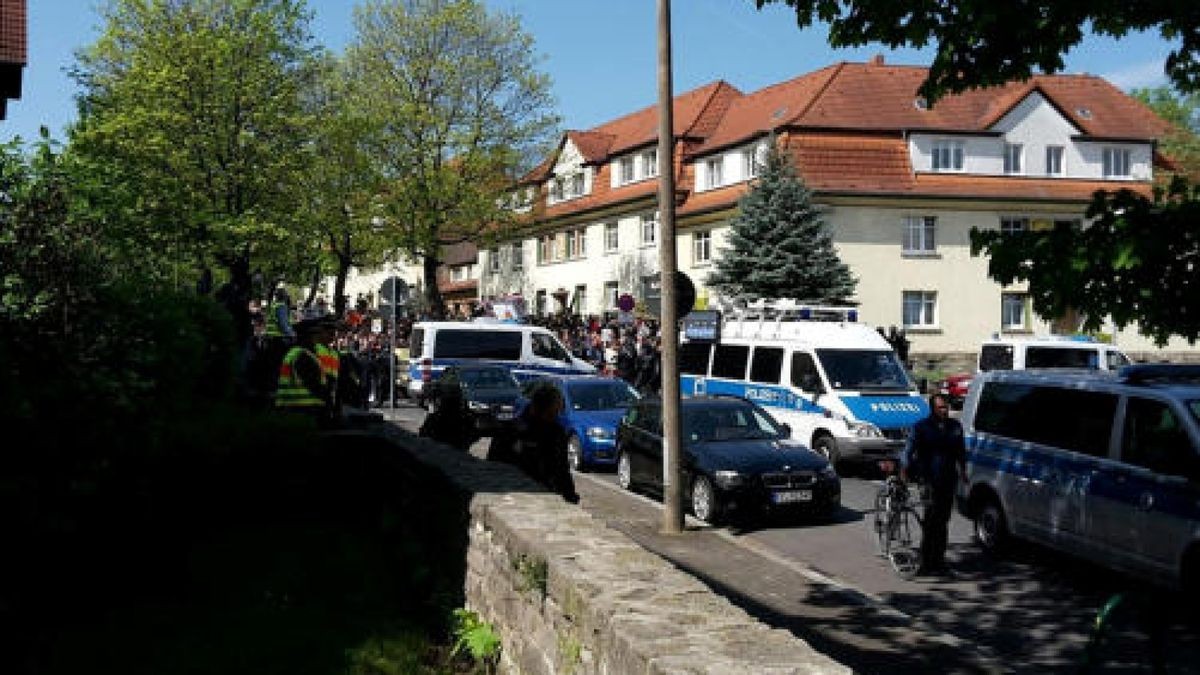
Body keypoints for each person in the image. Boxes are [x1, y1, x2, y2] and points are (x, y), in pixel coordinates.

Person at [901, 393, 968, 575]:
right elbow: (909, 449)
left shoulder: (955, 427)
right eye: (940, 408)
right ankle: (925, 561)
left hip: (948, 479)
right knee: (931, 520)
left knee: (943, 520)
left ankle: (939, 560)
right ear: (932, 409)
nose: (944, 411)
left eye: (946, 407)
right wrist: (905, 468)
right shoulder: (921, 427)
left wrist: (963, 471)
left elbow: (961, 451)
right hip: (928, 479)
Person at [486, 382, 579, 504]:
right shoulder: (510, 431)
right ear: (537, 407)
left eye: (557, 412)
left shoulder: (556, 432)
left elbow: (562, 470)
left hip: (546, 497)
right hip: (513, 497)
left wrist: (570, 496)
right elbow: (493, 467)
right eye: (552, 412)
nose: (555, 416)